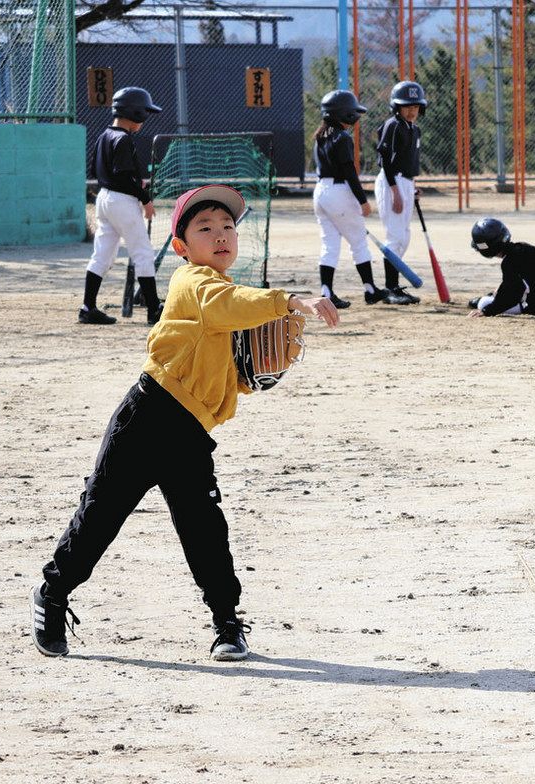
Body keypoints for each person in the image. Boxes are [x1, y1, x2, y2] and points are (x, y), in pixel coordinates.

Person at [31, 184, 338, 663]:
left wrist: (246, 379)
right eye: (205, 228)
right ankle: (52, 596)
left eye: (228, 226)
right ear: (182, 247)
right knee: (100, 516)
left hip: (190, 431)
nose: (220, 235)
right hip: (146, 418)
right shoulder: (192, 282)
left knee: (204, 529)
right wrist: (291, 299)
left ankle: (227, 625)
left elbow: (223, 366)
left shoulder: (227, 296)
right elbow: (225, 304)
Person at [81, 86, 163, 326]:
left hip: (104, 199)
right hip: (122, 201)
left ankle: (88, 307)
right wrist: (145, 198)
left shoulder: (104, 135)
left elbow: (95, 170)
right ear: (135, 113)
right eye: (144, 114)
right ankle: (153, 309)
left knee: (103, 254)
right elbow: (125, 177)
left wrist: (134, 182)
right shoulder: (123, 138)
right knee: (143, 253)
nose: (144, 121)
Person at [313, 89, 390, 308]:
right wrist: (363, 201)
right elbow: (349, 173)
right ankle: (370, 289)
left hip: (320, 193)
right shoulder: (342, 137)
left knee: (330, 244)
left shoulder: (320, 136)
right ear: (345, 114)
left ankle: (326, 292)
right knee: (358, 241)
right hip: (339, 193)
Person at [373, 80, 426, 305]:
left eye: (415, 107)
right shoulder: (393, 125)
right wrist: (395, 190)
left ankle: (394, 285)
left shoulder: (414, 129)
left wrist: (411, 187)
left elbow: (409, 162)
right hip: (390, 182)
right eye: (407, 106)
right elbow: (385, 160)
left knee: (404, 237)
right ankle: (390, 288)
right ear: (397, 107)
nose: (412, 111)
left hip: (404, 182)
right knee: (395, 237)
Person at [466, 218, 535, 318]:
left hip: (533, 306)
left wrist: (487, 311)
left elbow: (512, 295)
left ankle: (484, 299)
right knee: (504, 289)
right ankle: (492, 296)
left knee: (483, 303)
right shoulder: (525, 247)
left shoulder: (509, 262)